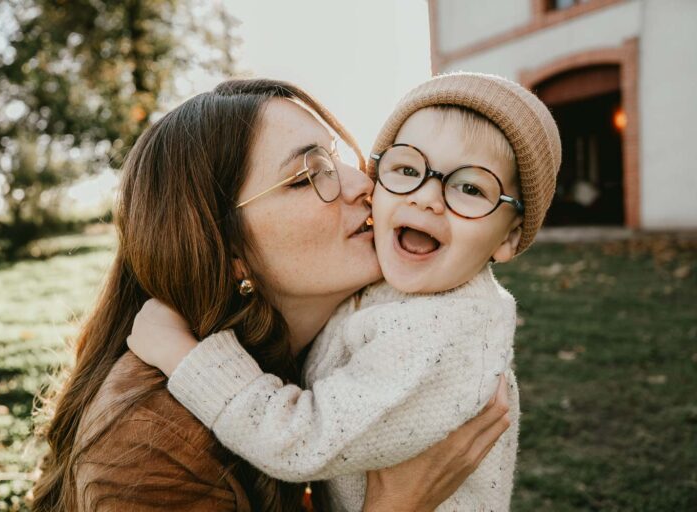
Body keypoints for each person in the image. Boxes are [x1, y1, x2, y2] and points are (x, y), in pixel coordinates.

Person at [31, 78, 512, 512]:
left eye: (337, 157)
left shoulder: (373, 333)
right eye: (307, 176)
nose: (363, 184)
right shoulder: (152, 442)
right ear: (227, 250)